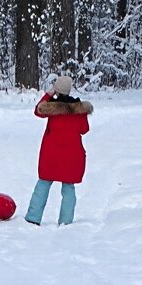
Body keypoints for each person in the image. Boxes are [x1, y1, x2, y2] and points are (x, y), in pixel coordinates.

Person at [25, 75, 92, 226]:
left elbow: (38, 110)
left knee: (43, 184)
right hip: (72, 155)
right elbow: (84, 130)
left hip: (51, 155)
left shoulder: (52, 107)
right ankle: (65, 221)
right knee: (68, 188)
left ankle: (33, 217)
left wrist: (49, 94)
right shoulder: (78, 108)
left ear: (57, 89)